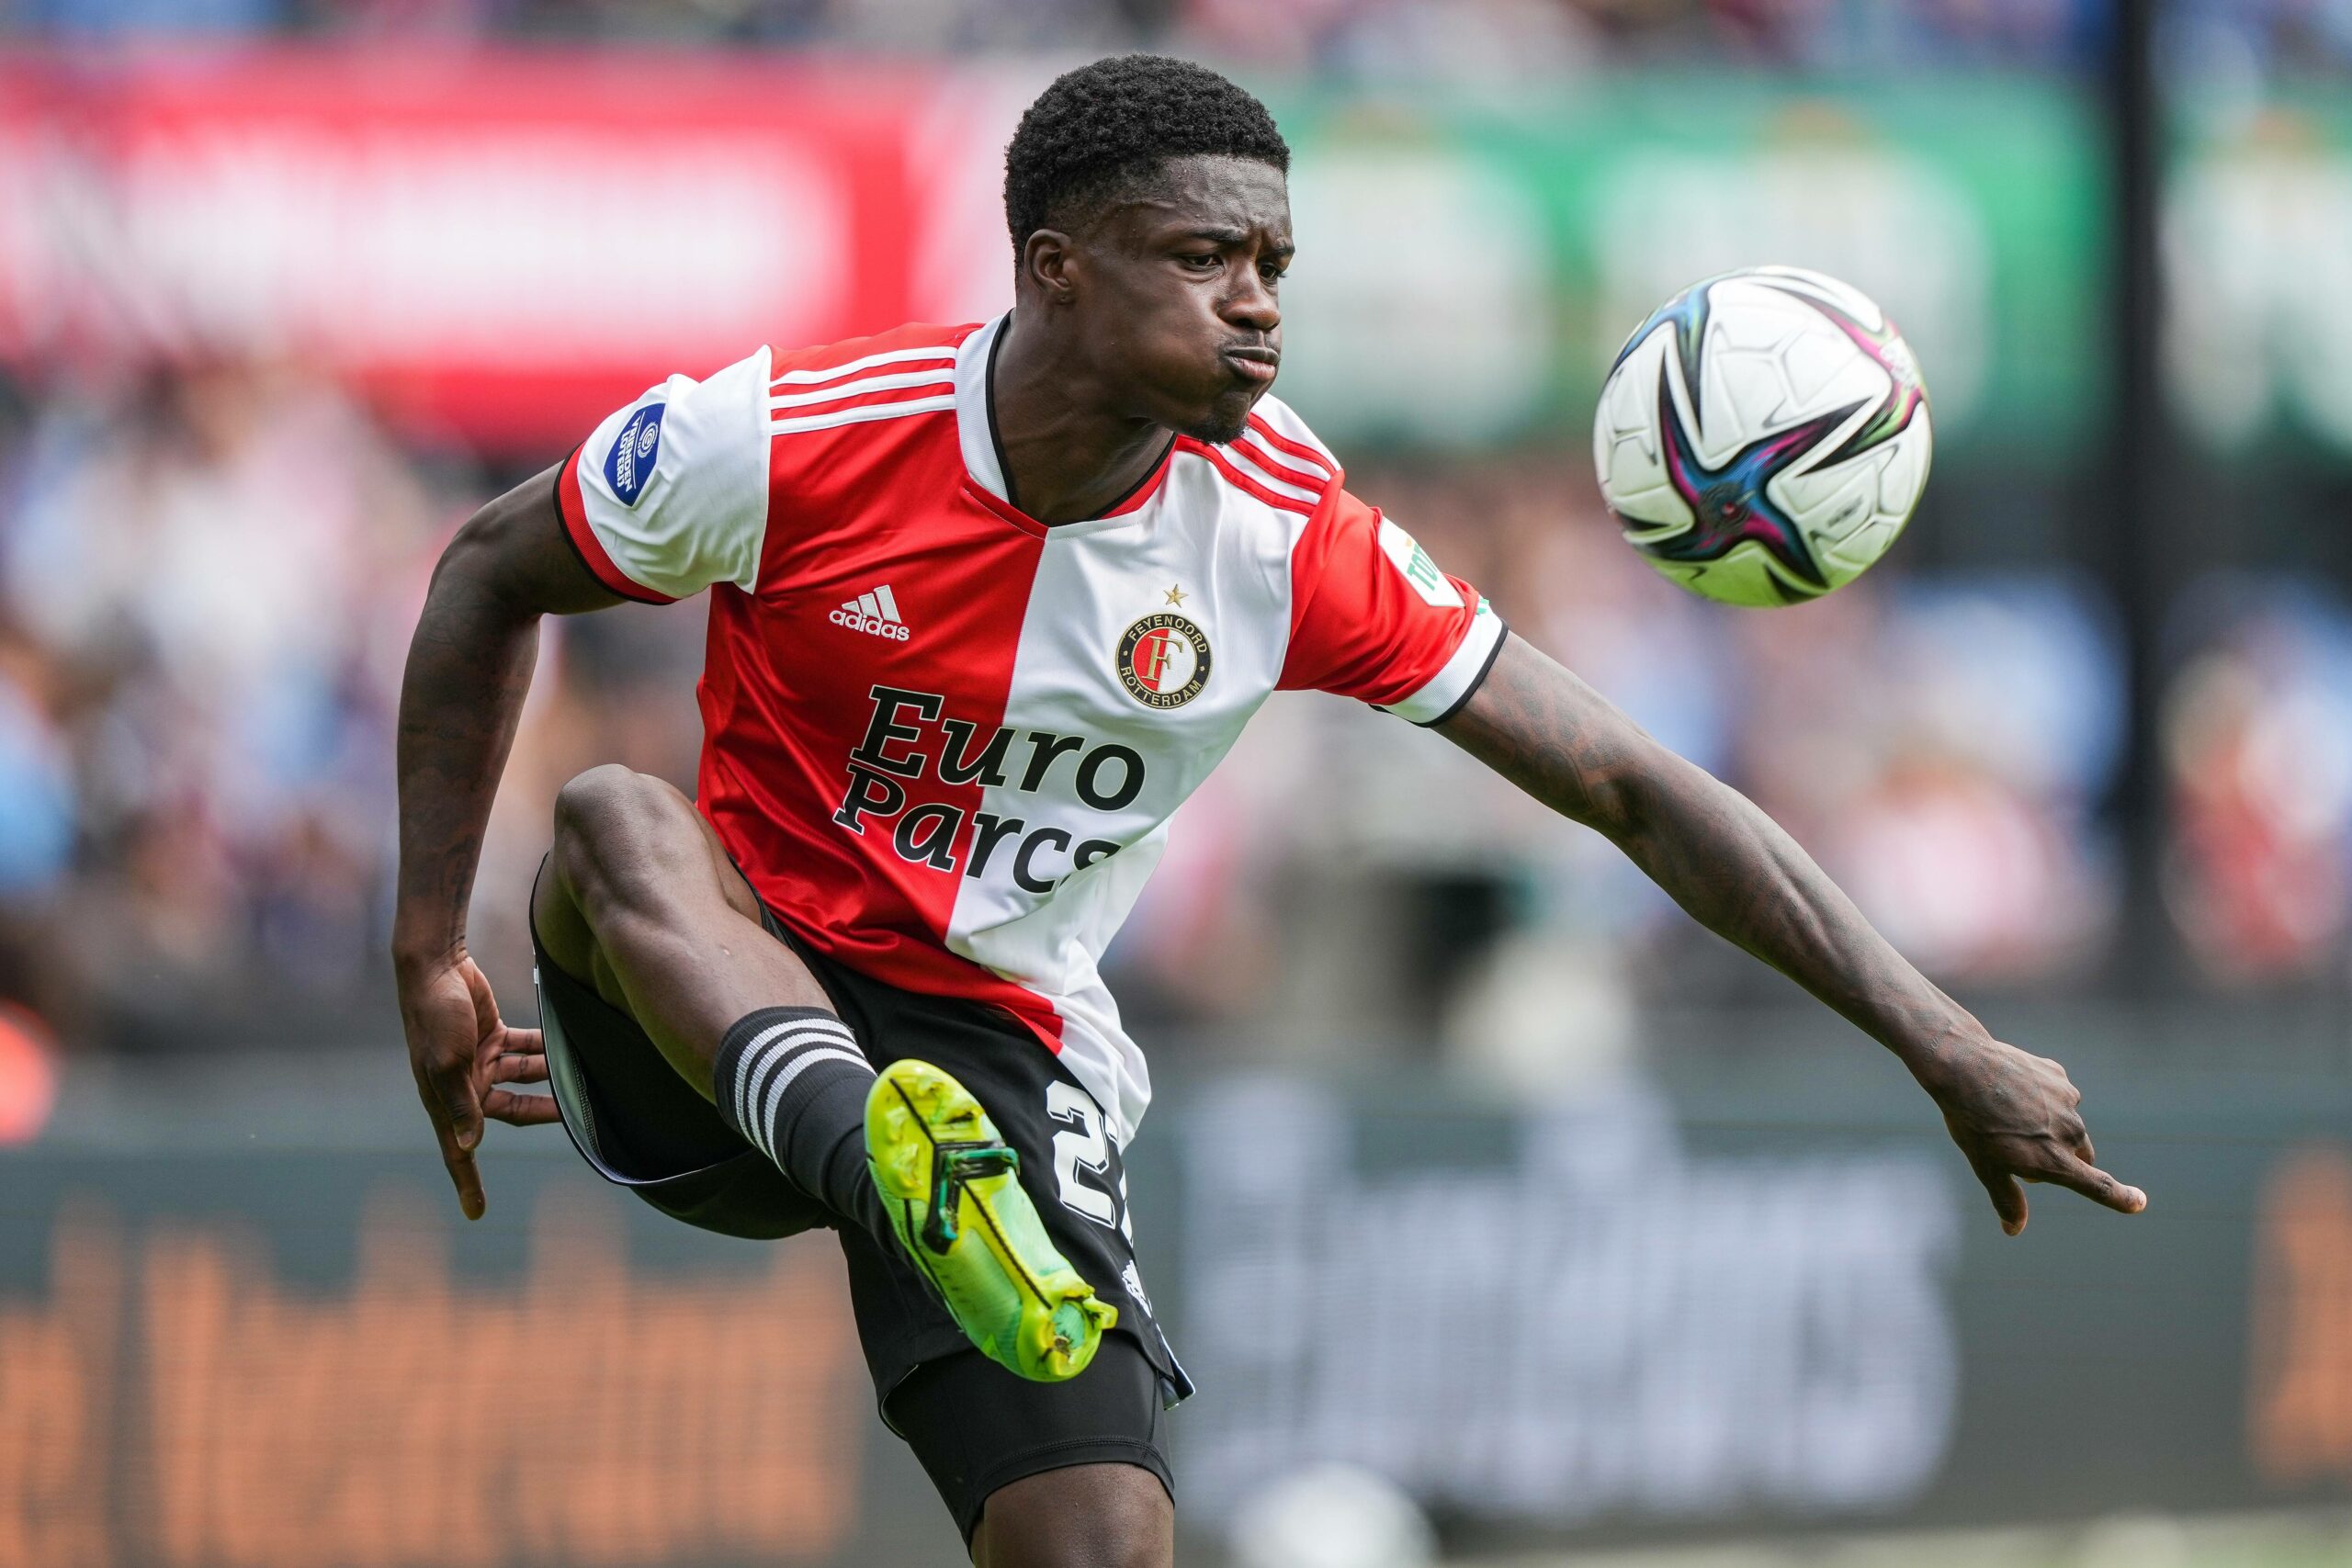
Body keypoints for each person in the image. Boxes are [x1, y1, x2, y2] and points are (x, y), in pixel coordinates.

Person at [390, 53, 2145, 1568]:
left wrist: (1945, 1044)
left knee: (1100, 1541)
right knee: (619, 808)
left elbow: (1628, 781)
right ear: (1056, 270)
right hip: (711, 997)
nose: (1260, 305)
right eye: (1207, 256)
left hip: (997, 1042)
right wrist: (423, 951)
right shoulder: (788, 436)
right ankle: (893, 1175)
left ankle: (944, 1180)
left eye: (1276, 264)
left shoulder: (1282, 535)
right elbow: (486, 571)